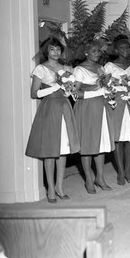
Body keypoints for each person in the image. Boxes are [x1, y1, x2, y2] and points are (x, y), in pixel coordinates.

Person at [26, 37, 80, 203]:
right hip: (49, 108)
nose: (56, 52)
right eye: (52, 49)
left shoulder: (67, 68)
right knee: (50, 150)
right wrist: (56, 86)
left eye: (58, 49)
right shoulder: (41, 69)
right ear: (46, 52)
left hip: (64, 107)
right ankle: (50, 188)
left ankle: (59, 186)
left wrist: (70, 92)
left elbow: (71, 90)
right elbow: (34, 93)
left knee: (63, 149)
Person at [73, 41, 115, 194]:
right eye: (94, 51)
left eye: (98, 51)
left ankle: (100, 177)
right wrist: (97, 91)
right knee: (88, 145)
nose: (97, 54)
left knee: (101, 143)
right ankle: (89, 180)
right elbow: (75, 93)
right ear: (86, 52)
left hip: (101, 107)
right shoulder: (79, 70)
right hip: (87, 108)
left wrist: (108, 90)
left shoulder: (101, 68)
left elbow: (105, 86)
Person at [103, 35, 130, 185]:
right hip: (116, 103)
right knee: (118, 137)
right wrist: (119, 83)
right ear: (116, 49)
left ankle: (127, 170)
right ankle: (120, 171)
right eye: (122, 47)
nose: (125, 50)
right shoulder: (109, 66)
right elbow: (105, 84)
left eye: (127, 47)